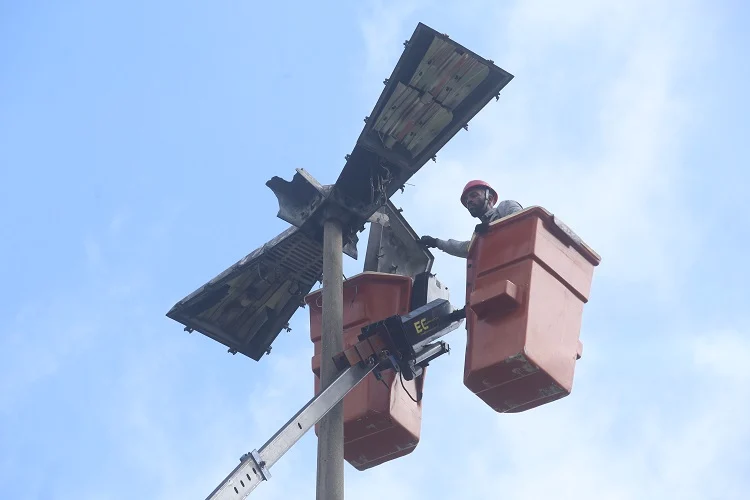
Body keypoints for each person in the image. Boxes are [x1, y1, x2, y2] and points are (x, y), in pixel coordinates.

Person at [420, 180, 523, 258]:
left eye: (474, 195)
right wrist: (436, 242)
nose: (469, 201)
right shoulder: (481, 233)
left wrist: (492, 230)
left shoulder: (504, 206)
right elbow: (464, 248)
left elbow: (524, 222)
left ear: (490, 198)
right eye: (466, 199)